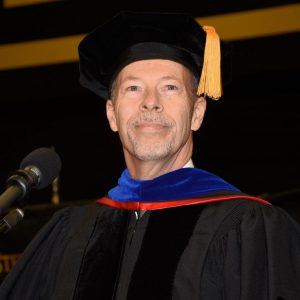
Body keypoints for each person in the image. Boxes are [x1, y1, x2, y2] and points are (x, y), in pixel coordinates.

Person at [0, 10, 300, 300]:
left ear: (197, 113)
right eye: (133, 88)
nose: (150, 103)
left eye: (169, 87)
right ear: (112, 115)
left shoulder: (248, 229)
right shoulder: (69, 234)